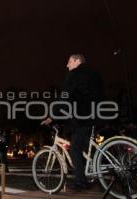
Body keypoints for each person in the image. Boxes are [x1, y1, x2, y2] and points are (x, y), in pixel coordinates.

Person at [42, 54, 103, 191]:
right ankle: (91, 172)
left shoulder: (75, 74)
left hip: (82, 117)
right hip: (96, 114)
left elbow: (65, 97)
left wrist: (52, 116)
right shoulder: (93, 74)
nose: (67, 65)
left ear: (77, 61)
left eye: (69, 61)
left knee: (75, 149)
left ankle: (80, 182)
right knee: (84, 148)